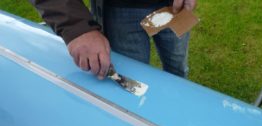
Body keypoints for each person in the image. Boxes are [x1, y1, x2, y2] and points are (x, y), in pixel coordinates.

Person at [30, 0, 196, 79]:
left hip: (175, 8)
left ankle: (178, 120)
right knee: (134, 81)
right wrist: (76, 26)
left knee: (177, 68)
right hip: (120, 9)